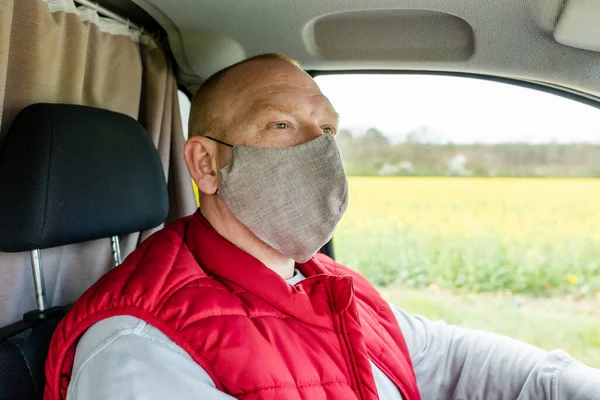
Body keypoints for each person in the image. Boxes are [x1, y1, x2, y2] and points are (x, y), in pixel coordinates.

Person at [44, 54, 600, 400]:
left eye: (328, 128)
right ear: (207, 164)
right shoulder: (140, 344)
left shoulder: (330, 283)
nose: (319, 149)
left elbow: (448, 358)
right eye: (282, 124)